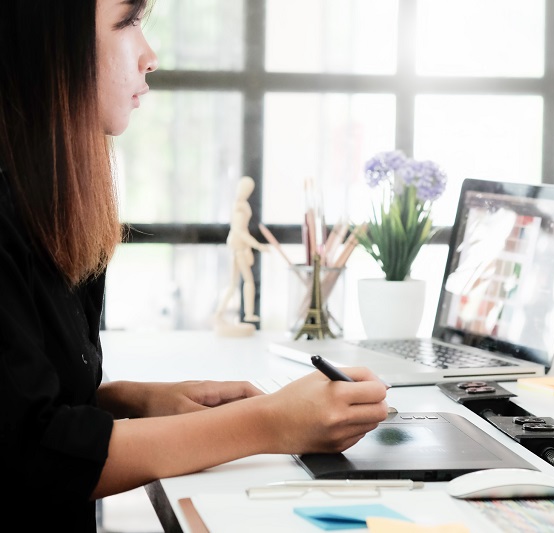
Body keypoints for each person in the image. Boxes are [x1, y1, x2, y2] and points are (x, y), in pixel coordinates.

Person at [0, 2, 388, 531]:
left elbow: (27, 398)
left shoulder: (43, 204)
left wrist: (136, 400)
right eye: (127, 23)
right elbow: (32, 455)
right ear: (48, 44)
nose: (150, 55)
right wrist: (269, 423)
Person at [214, 176, 268, 336]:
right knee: (247, 280)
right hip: (238, 246)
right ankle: (247, 313)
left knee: (235, 283)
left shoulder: (240, 204)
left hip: (239, 245)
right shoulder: (239, 206)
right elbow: (239, 230)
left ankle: (222, 312)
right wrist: (256, 244)